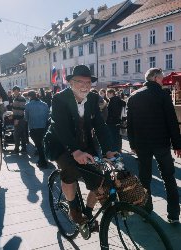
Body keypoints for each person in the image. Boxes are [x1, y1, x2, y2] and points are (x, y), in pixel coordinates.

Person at [44, 65, 116, 227]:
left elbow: (100, 125)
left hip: (84, 142)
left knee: (100, 180)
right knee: (69, 171)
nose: (85, 85)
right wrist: (75, 151)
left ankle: (88, 213)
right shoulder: (59, 98)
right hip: (60, 143)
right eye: (80, 82)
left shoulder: (92, 98)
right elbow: (59, 126)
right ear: (70, 82)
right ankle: (74, 209)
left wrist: (109, 150)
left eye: (88, 82)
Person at [127, 68, 181, 224]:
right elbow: (172, 121)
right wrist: (177, 144)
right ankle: (173, 214)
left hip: (142, 144)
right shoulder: (163, 95)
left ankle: (146, 210)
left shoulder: (134, 96)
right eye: (162, 78)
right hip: (161, 143)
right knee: (168, 178)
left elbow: (130, 124)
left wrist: (132, 144)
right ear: (156, 78)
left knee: (144, 178)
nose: (163, 81)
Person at [25, 90, 49, 168]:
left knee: (39, 145)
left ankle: (43, 162)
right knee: (42, 144)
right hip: (44, 127)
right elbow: (48, 116)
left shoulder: (28, 105)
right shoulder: (45, 104)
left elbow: (26, 118)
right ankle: (43, 160)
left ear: (29, 97)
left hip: (34, 127)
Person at [12, 86, 27, 154]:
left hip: (20, 119)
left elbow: (21, 109)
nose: (15, 92)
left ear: (18, 91)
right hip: (17, 118)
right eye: (14, 91)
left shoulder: (21, 98)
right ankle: (22, 148)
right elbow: (16, 108)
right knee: (20, 134)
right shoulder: (16, 97)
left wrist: (17, 119)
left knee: (18, 135)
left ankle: (17, 149)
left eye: (16, 91)